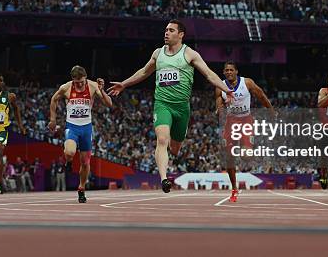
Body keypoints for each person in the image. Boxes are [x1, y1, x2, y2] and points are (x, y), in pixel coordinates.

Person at [108, 19, 234, 193]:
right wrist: (124, 84)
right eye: (166, 30)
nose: (166, 33)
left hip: (182, 108)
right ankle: (164, 179)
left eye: (171, 30)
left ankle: (170, 154)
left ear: (180, 35)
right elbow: (144, 72)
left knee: (175, 149)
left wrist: (226, 89)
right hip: (163, 104)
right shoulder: (158, 53)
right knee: (161, 140)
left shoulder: (189, 54)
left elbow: (209, 74)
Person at [48, 66, 113, 203]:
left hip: (86, 128)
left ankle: (81, 188)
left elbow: (109, 104)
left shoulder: (93, 86)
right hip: (72, 127)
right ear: (72, 80)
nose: (79, 85)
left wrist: (101, 90)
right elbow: (54, 99)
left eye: (82, 82)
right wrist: (53, 119)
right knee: (70, 152)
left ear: (86, 78)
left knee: (85, 162)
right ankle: (69, 161)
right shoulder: (66, 88)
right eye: (76, 83)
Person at [215, 61, 276, 202]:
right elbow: (219, 105)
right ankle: (234, 189)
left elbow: (261, 95)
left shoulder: (247, 83)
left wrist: (271, 110)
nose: (229, 72)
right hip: (230, 122)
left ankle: (246, 147)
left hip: (246, 120)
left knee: (246, 157)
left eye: (231, 70)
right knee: (229, 158)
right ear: (224, 73)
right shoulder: (219, 87)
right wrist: (220, 109)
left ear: (236, 71)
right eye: (226, 70)